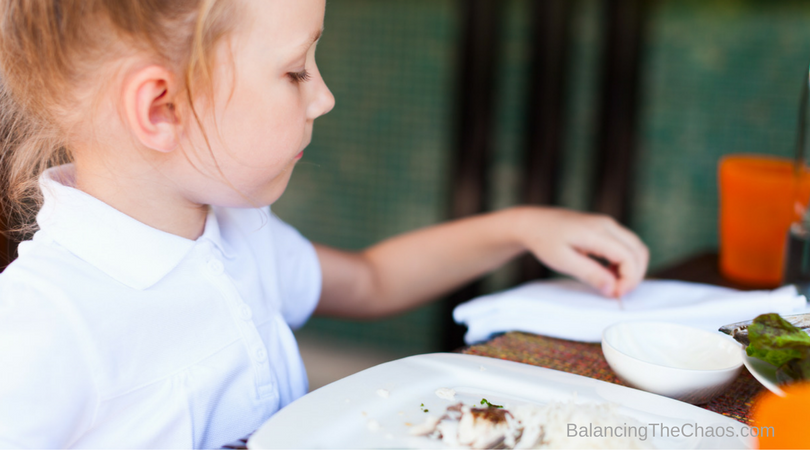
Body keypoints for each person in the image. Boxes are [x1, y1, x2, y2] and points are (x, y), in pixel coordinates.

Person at [0, 0, 649, 447]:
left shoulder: (238, 233)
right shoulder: (45, 324)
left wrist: (521, 227)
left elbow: (372, 281)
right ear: (161, 107)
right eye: (294, 70)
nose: (324, 95)